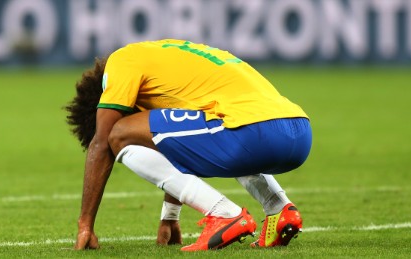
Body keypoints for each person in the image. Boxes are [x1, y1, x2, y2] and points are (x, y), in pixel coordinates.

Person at [65, 39, 312, 251]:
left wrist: (85, 224)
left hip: (251, 134)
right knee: (217, 125)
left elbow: (102, 140)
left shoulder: (123, 61)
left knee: (118, 134)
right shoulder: (172, 58)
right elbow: (179, 146)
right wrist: (170, 216)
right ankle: (279, 208)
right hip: (298, 132)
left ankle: (223, 214)